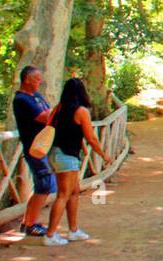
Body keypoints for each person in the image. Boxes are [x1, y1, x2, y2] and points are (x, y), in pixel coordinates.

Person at [42, 78, 112, 247]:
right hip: (66, 156)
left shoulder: (57, 110)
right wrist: (104, 155)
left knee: (73, 192)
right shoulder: (81, 111)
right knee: (63, 195)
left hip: (56, 154)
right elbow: (91, 138)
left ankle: (73, 230)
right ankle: (50, 235)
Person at [11, 66, 55, 237]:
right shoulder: (21, 99)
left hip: (43, 145)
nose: (40, 82)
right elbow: (44, 117)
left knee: (42, 185)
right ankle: (30, 224)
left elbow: (49, 111)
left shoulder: (36, 96)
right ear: (27, 79)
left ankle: (27, 221)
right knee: (43, 185)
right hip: (34, 147)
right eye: (37, 79)